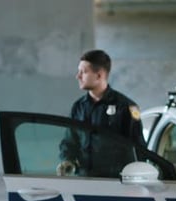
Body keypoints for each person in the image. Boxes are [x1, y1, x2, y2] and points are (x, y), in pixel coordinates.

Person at [58, 49, 146, 177]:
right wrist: (67, 160)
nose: (78, 76)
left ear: (99, 75)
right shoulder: (78, 107)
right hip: (84, 181)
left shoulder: (129, 107)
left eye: (83, 72)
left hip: (115, 183)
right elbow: (69, 141)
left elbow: (139, 148)